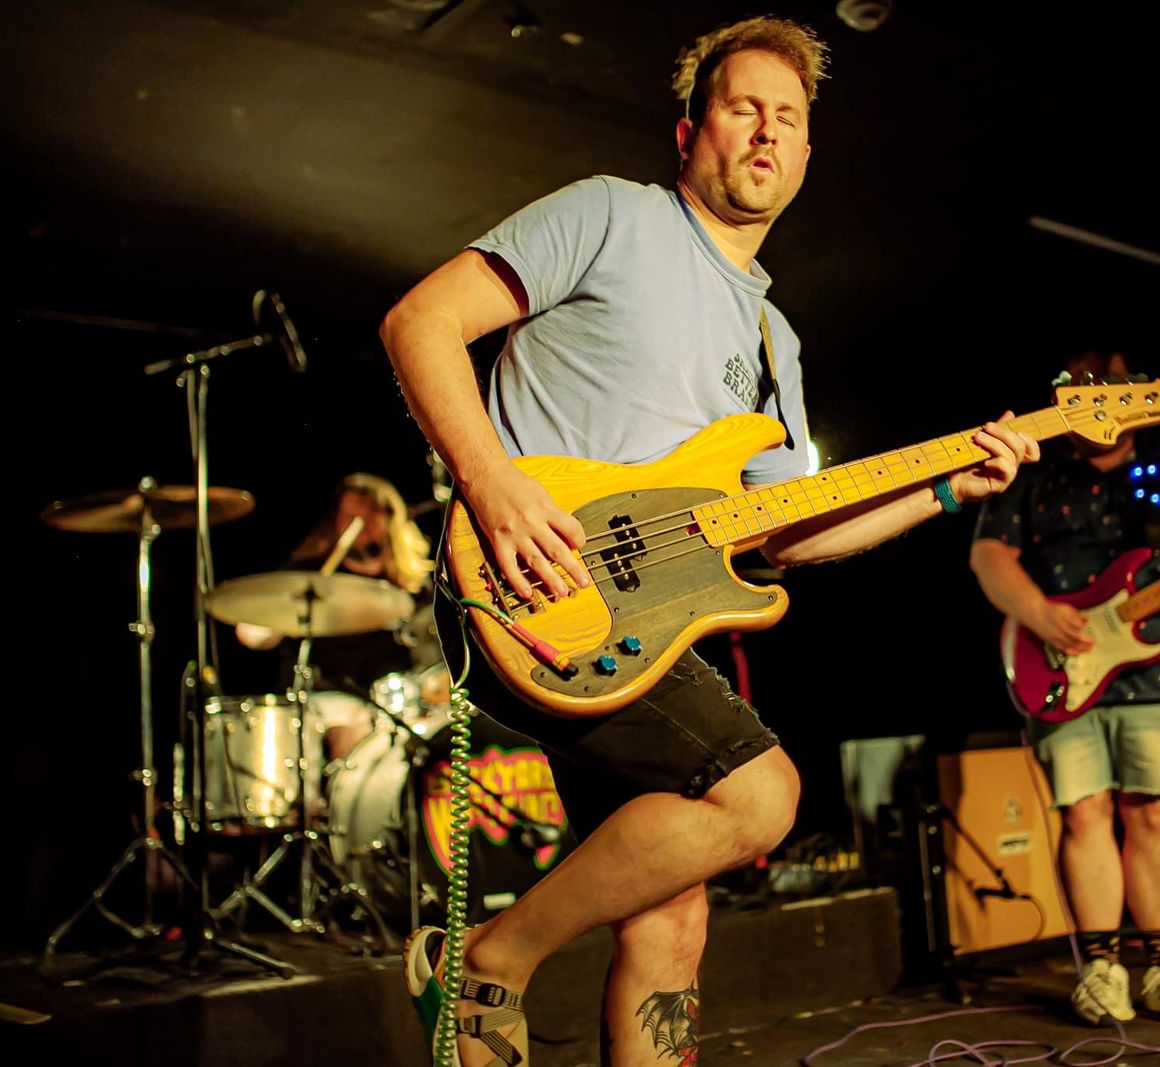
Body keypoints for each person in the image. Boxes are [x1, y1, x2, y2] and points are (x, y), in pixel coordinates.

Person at [379, 16, 1040, 1066]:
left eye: (788, 117)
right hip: (528, 580)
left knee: (670, 916)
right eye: (743, 108)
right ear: (691, 131)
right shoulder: (612, 214)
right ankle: (491, 955)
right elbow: (419, 321)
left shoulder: (775, 345)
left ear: (808, 152)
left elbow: (786, 539)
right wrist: (492, 483)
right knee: (759, 793)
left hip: (643, 624)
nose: (767, 131)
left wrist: (945, 490)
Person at [969, 349, 1160, 1026]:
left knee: (1155, 810)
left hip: (1159, 662)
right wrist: (1037, 612)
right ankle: (1102, 969)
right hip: (1058, 660)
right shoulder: (1035, 467)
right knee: (1084, 811)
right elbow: (989, 554)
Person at [234, 472, 443, 761]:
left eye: (370, 515)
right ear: (336, 521)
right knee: (354, 722)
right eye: (351, 516)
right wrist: (279, 619)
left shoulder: (416, 584)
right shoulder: (308, 577)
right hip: (329, 700)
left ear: (390, 518)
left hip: (401, 701)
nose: (362, 524)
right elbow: (252, 635)